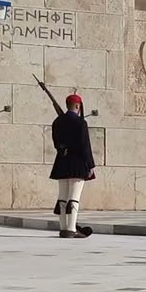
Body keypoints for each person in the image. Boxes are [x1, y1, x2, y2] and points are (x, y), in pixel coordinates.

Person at [50, 94, 96, 239]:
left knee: (62, 198)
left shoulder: (57, 122)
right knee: (74, 197)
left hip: (62, 162)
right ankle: (71, 229)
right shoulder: (81, 123)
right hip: (77, 163)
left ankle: (63, 228)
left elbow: (56, 144)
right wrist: (90, 165)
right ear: (78, 106)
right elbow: (85, 146)